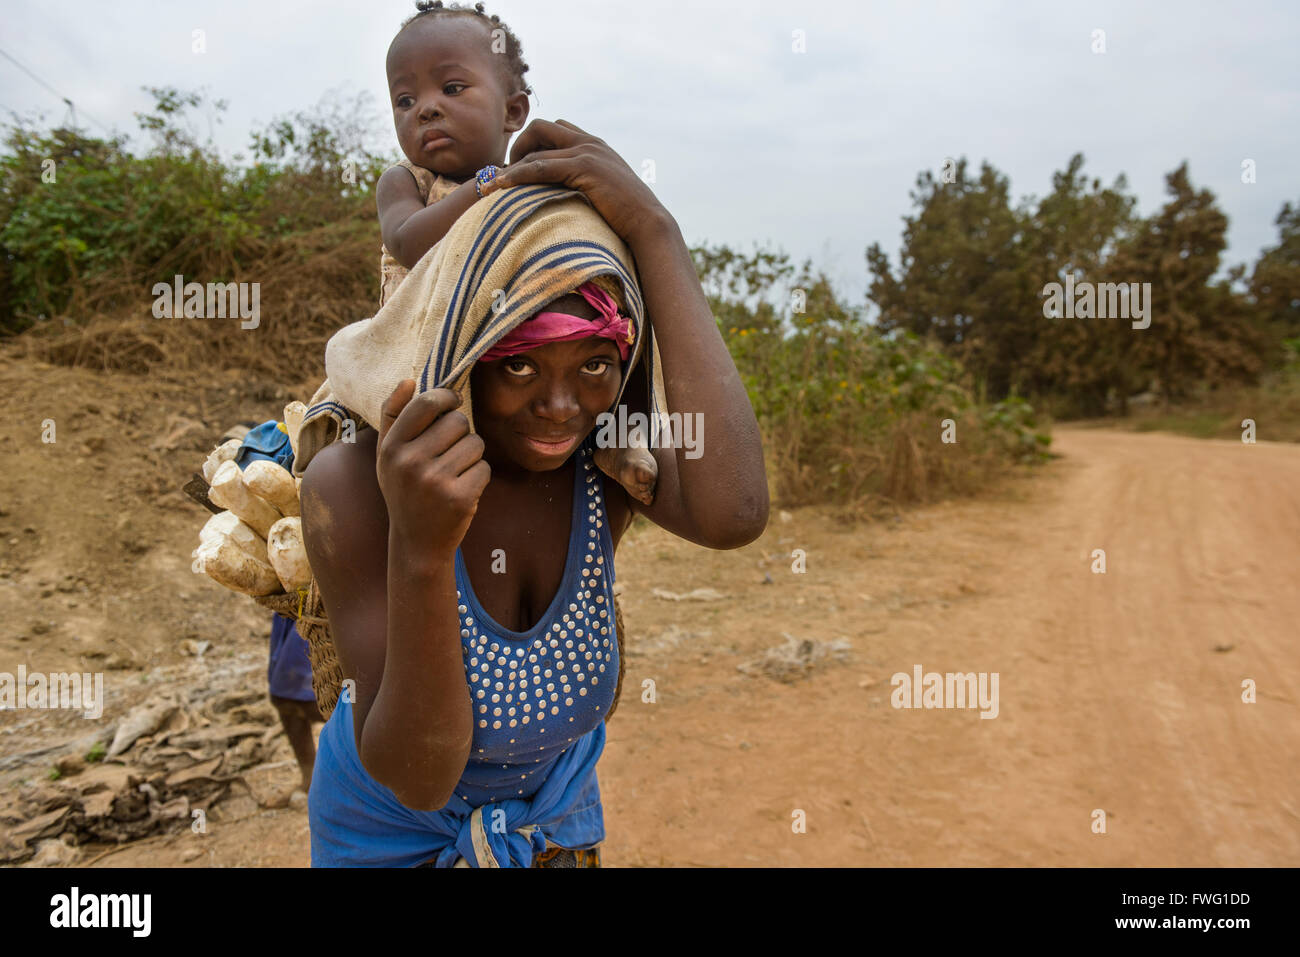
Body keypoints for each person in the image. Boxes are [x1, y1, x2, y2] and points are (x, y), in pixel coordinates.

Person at [298, 108, 769, 866]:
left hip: (554, 826)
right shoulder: (355, 484)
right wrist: (421, 552)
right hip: (389, 841)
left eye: (595, 364)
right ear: (460, 347)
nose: (561, 408)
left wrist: (656, 231)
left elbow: (736, 513)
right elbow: (419, 776)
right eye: (519, 364)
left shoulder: (604, 463)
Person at [374, 0, 659, 505]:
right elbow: (408, 241)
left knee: (620, 318)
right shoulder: (408, 181)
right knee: (361, 429)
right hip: (419, 353)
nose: (425, 107)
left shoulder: (538, 189)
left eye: (452, 88)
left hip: (530, 358)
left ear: (514, 112)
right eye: (404, 99)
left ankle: (615, 442)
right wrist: (491, 184)